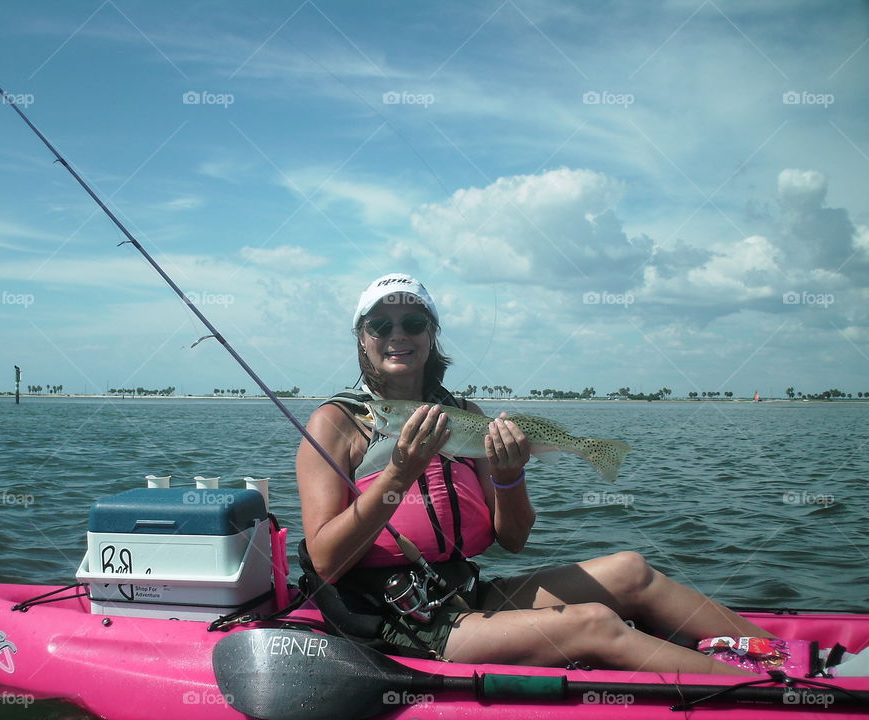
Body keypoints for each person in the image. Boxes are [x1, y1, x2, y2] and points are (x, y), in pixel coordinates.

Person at [296, 273, 774, 674]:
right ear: (362, 337)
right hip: (397, 619)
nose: (397, 334)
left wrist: (509, 477)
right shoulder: (335, 423)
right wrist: (398, 476)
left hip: (463, 592)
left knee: (632, 570)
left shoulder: (466, 413)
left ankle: (784, 659)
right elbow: (327, 563)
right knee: (592, 623)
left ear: (431, 334)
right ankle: (777, 692)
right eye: (380, 324)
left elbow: (515, 540)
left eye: (413, 322)